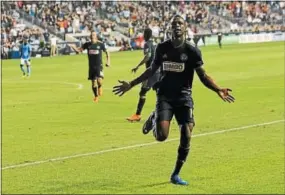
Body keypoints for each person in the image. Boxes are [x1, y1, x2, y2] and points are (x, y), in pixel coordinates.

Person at [113, 15, 235, 185]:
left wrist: (218, 89)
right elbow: (151, 70)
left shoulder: (192, 51)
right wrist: (131, 84)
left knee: (187, 134)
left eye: (180, 23)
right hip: (165, 96)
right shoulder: (162, 48)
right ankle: (155, 116)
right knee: (162, 136)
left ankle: (175, 175)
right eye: (174, 24)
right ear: (170, 29)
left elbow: (203, 75)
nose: (177, 26)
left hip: (184, 96)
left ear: (185, 28)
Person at [127, 28, 160, 122]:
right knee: (159, 93)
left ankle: (137, 114)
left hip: (151, 72)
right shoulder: (155, 43)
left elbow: (148, 56)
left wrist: (138, 66)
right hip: (158, 71)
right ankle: (167, 113)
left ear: (146, 35)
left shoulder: (147, 44)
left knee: (143, 92)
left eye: (144, 34)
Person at [69, 31, 110, 102]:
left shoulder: (100, 44)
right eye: (91, 35)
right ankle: (96, 96)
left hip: (99, 66)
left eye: (93, 35)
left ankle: (100, 87)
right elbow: (79, 51)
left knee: (99, 81)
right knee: (93, 82)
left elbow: (107, 52)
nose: (92, 36)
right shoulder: (87, 44)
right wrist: (74, 47)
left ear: (96, 36)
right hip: (91, 67)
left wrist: (108, 61)